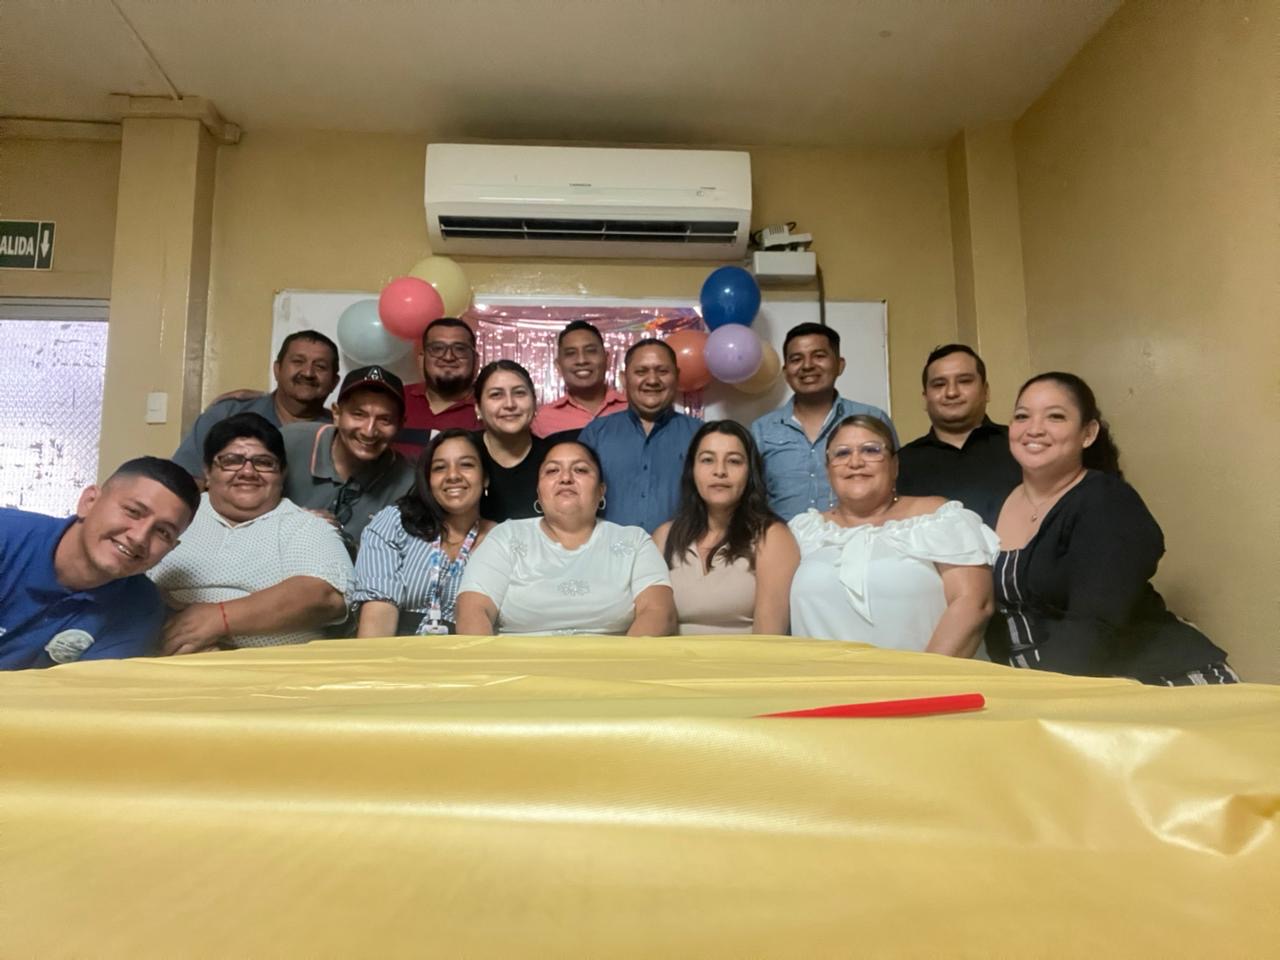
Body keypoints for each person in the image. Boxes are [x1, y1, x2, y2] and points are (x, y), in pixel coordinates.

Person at [987, 373, 1234, 684]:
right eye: (1022, 416)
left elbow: (1094, 623)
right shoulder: (996, 504)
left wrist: (1038, 696)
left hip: (1146, 680)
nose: (1034, 428)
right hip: (1047, 685)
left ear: (1088, 433)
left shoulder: (1107, 502)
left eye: (1055, 416)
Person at [789, 415, 998, 655]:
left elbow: (973, 604)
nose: (855, 462)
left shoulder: (940, 517)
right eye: (842, 453)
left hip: (926, 676)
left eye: (871, 450)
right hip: (820, 677)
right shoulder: (802, 531)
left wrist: (921, 676)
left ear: (894, 465)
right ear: (828, 471)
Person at [149, 413, 354, 653]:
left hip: (275, 668)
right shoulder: (175, 516)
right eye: (231, 460)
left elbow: (326, 597)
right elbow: (127, 574)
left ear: (282, 474)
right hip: (163, 657)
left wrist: (218, 619)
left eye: (264, 462)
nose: (248, 472)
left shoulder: (306, 526)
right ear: (208, 472)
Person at [456, 440, 676, 636]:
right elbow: (472, 612)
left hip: (613, 665)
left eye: (580, 470)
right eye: (552, 471)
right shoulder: (505, 537)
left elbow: (659, 613)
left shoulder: (635, 541)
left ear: (601, 491)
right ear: (538, 492)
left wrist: (621, 664)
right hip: (517, 666)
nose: (565, 478)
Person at [0, 457, 199, 669]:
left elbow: (83, 685)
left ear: (171, 548)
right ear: (89, 502)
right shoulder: (6, 534)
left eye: (163, 532)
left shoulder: (140, 608)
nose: (139, 537)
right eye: (133, 512)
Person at [654, 421, 800, 635]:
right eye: (707, 460)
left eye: (733, 461)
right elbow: (649, 619)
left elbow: (769, 639)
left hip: (745, 656)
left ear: (750, 472)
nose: (720, 471)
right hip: (668, 656)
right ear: (692, 470)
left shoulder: (772, 536)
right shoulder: (664, 537)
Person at [353, 429, 495, 637]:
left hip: (469, 651)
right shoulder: (395, 523)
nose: (453, 476)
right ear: (428, 480)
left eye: (466, 465)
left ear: (485, 478)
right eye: (440, 468)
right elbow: (377, 619)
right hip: (395, 648)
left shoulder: (503, 539)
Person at [172, 330, 339, 479]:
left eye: (320, 366)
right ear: (277, 370)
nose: (308, 373)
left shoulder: (341, 433)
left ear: (334, 382)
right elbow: (186, 484)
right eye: (298, 361)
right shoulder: (226, 414)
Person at [281, 365, 415, 550]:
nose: (369, 431)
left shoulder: (408, 483)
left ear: (400, 425)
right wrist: (294, 524)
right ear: (336, 413)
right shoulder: (288, 443)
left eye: (385, 420)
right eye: (358, 415)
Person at [577, 338, 702, 533]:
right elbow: (576, 501)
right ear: (623, 378)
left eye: (662, 371)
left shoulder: (701, 436)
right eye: (641, 372)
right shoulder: (595, 434)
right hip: (608, 550)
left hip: (680, 551)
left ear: (677, 376)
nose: (652, 380)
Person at [896, 344, 1022, 527]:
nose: (952, 392)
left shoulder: (1022, 445)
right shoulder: (900, 464)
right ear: (925, 398)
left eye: (964, 381)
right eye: (939, 384)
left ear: (986, 391)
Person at [473, 359, 551, 522]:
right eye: (496, 395)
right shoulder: (463, 453)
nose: (509, 404)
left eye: (519, 393)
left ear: (535, 402)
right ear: (478, 408)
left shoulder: (553, 459)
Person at [395, 317, 482, 460]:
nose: (448, 357)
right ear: (421, 359)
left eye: (460, 349)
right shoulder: (397, 399)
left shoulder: (489, 408)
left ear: (476, 361)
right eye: (437, 349)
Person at [530, 320, 628, 437]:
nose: (581, 360)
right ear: (559, 366)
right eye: (571, 353)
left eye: (590, 351)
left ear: (607, 359)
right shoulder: (543, 420)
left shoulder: (633, 409)